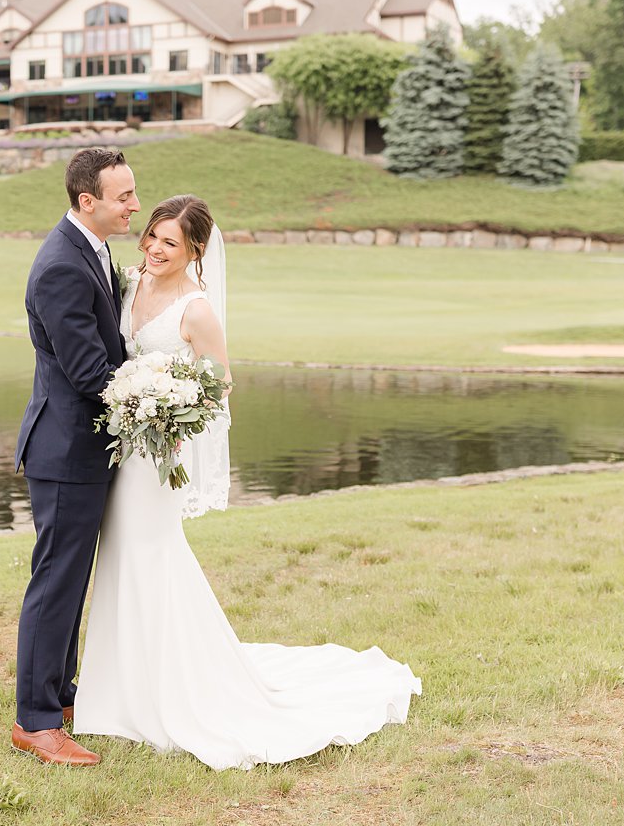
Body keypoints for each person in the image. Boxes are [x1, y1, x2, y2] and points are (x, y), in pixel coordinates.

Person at [72, 194, 422, 771]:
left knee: (151, 556)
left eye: (171, 242)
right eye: (153, 236)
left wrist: (168, 415)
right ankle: (117, 689)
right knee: (119, 559)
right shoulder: (130, 285)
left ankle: (171, 692)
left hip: (156, 458)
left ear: (195, 250)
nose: (156, 249)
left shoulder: (197, 310)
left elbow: (219, 386)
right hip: (118, 450)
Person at [11, 147, 139, 767]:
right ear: (88, 201)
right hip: (64, 451)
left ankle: (60, 696)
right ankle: (35, 723)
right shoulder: (62, 264)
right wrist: (155, 389)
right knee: (55, 582)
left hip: (84, 447)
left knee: (71, 579)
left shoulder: (93, 249)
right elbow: (90, 370)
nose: (134, 206)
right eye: (124, 197)